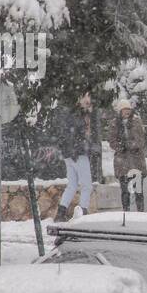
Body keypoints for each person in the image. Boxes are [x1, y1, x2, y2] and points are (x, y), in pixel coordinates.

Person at [54, 92, 97, 222]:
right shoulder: (79, 115)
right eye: (86, 98)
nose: (88, 101)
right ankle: (83, 213)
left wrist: (68, 151)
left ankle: (61, 213)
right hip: (78, 154)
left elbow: (66, 134)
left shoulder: (71, 114)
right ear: (79, 100)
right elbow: (76, 135)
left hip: (70, 154)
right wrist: (77, 150)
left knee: (72, 185)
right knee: (86, 186)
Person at [108, 97, 147, 212]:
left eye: (128, 109)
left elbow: (140, 139)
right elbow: (112, 141)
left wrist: (130, 145)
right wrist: (121, 147)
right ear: (120, 111)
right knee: (125, 191)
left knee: (138, 190)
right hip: (122, 162)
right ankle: (126, 212)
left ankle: (140, 212)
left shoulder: (136, 121)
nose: (126, 112)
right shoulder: (114, 123)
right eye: (124, 110)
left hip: (136, 161)